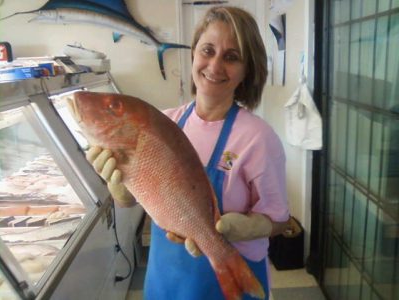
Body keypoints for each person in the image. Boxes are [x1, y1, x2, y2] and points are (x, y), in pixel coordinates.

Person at [87, 6, 290, 300]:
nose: (215, 66)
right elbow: (143, 196)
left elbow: (280, 219)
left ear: (248, 69)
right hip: (166, 279)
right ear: (194, 53)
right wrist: (121, 191)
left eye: (232, 57)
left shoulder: (259, 138)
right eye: (208, 50)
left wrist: (249, 227)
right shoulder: (164, 123)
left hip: (232, 274)